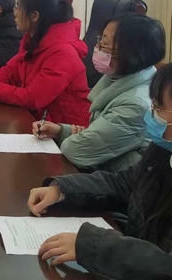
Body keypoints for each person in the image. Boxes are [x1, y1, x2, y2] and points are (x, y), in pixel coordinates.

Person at [27, 64, 172, 280]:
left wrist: (92, 246)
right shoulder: (163, 149)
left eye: (159, 108)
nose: (151, 114)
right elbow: (124, 183)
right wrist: (63, 190)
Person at [33, 13, 166, 172]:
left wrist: (74, 137)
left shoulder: (136, 105)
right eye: (101, 39)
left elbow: (76, 150)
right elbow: (101, 133)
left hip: (123, 182)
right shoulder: (125, 74)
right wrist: (61, 131)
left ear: (131, 53)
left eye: (106, 44)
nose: (98, 47)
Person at [0, 0, 90, 126]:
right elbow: (9, 72)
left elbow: (33, 98)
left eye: (18, 7)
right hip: (37, 121)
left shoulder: (63, 53)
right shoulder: (34, 42)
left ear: (34, 16)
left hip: (65, 131)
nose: (14, 13)